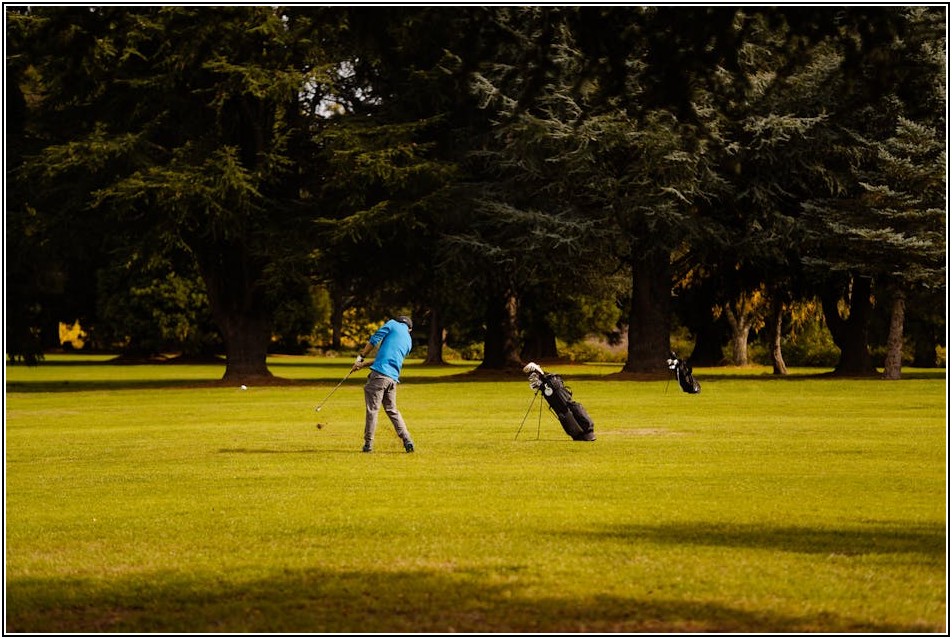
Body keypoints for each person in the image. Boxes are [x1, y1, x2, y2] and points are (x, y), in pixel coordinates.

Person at [351, 316, 415, 453]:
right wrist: (362, 366)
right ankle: (407, 439)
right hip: (392, 379)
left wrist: (361, 357)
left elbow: (374, 340)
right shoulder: (409, 341)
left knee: (372, 410)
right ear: (409, 329)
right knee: (392, 410)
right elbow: (385, 358)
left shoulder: (392, 324)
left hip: (379, 376)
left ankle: (368, 444)